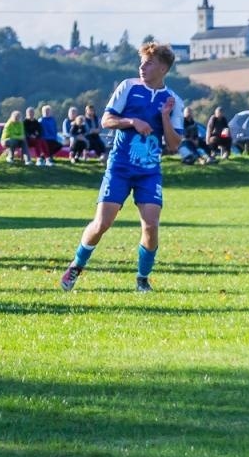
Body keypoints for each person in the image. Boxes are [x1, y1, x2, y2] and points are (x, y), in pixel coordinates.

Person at [60, 42, 183, 294]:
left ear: (162, 67)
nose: (142, 67)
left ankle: (142, 279)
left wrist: (163, 118)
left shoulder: (173, 101)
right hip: (119, 168)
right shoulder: (128, 87)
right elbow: (106, 120)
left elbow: (174, 144)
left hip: (149, 172)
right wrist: (132, 121)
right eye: (141, 62)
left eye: (148, 63)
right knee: (102, 223)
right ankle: (76, 266)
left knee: (151, 225)